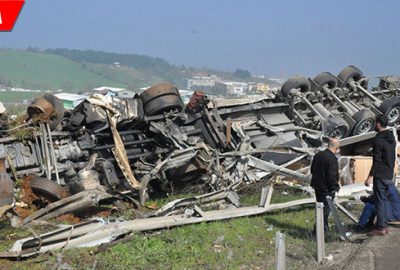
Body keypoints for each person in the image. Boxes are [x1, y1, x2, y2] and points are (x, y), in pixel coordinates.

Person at [365, 115, 396, 236]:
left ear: (378, 124)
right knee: (384, 200)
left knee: (379, 201)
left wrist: (369, 176)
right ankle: (384, 225)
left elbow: (376, 160)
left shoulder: (378, 140)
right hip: (389, 173)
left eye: (375, 123)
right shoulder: (391, 138)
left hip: (380, 174)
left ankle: (381, 227)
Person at [311, 137, 340, 231]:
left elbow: (312, 170)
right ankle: (321, 231)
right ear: (337, 148)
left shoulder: (318, 155)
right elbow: (331, 176)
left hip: (317, 187)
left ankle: (319, 229)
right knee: (325, 211)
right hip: (327, 189)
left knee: (319, 210)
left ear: (328, 145)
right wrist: (335, 187)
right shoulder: (332, 159)